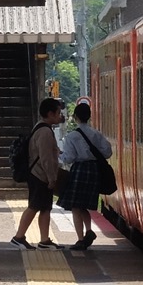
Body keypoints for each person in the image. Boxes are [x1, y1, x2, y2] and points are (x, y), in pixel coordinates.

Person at [56, 102, 113, 250]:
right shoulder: (96, 134)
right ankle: (88, 231)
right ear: (89, 117)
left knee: (76, 206)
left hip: (80, 170)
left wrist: (59, 155)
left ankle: (80, 239)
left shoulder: (72, 136)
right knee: (84, 205)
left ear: (75, 117)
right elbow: (107, 152)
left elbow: (69, 158)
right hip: (94, 171)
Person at [10, 97, 64, 249]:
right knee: (34, 206)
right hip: (40, 175)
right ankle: (18, 237)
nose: (60, 115)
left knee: (45, 208)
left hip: (39, 174)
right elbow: (46, 157)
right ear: (50, 113)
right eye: (58, 112)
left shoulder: (40, 128)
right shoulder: (45, 132)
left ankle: (44, 240)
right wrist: (52, 177)